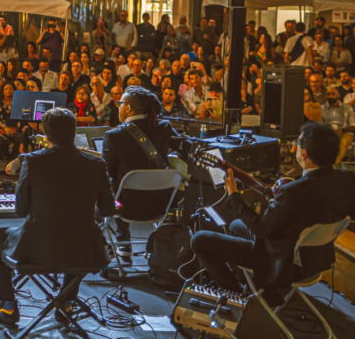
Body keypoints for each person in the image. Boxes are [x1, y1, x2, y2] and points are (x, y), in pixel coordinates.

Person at [191, 123, 355, 303]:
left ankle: (241, 296)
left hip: (284, 262)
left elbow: (260, 228)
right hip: (315, 261)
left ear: (304, 153)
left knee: (199, 240)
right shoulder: (347, 179)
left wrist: (234, 194)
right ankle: (260, 290)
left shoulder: (293, 191)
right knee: (237, 226)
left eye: (297, 143)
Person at [0, 108, 116, 327]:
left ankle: (7, 307)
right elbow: (108, 209)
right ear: (74, 132)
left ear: (46, 135)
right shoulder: (96, 165)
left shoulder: (34, 161)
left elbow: (20, 210)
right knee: (75, 240)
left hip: (38, 249)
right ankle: (65, 304)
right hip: (85, 251)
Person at [101, 86, 181, 260]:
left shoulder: (113, 135)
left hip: (124, 208)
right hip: (161, 205)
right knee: (123, 184)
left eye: (121, 104)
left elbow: (105, 173)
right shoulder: (164, 127)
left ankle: (119, 244)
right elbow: (183, 146)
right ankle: (131, 244)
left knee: (109, 189)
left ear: (129, 108)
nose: (118, 107)